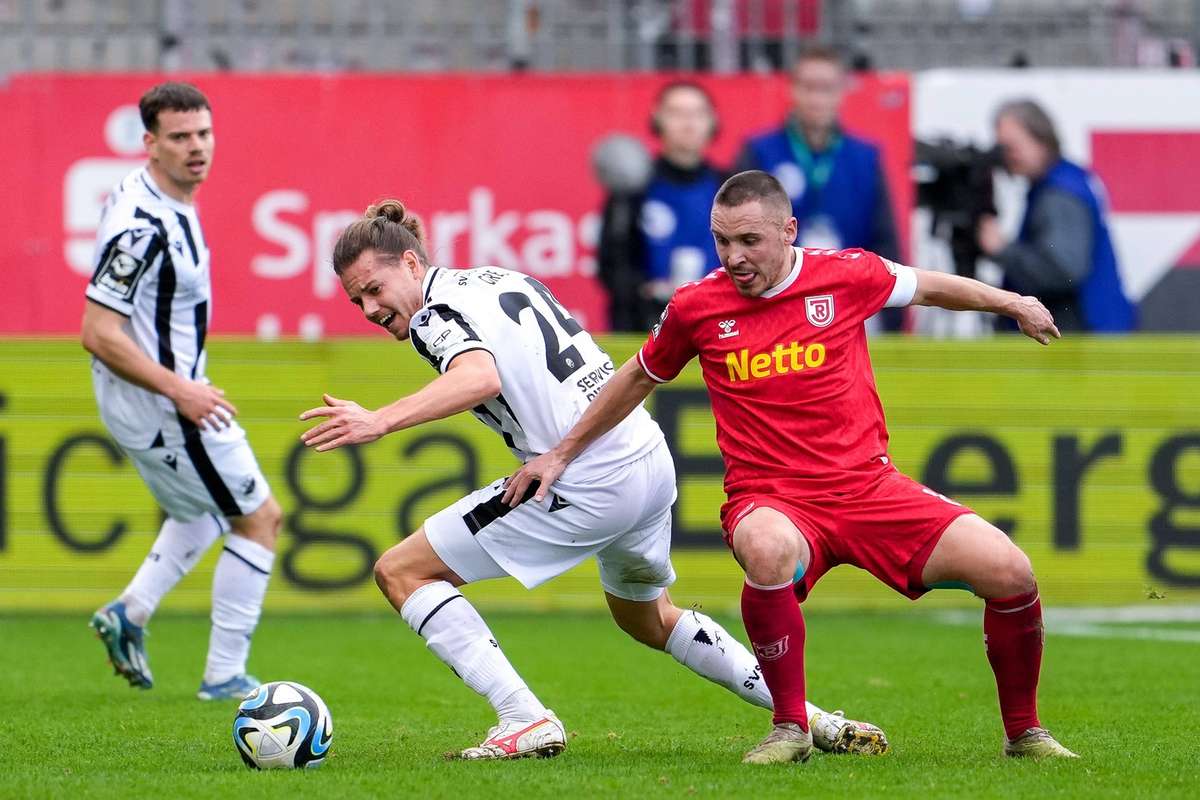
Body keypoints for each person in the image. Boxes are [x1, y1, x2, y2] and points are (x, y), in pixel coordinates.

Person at [506, 171, 1078, 764]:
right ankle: (789, 729)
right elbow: (636, 377)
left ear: (789, 231)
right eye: (722, 241)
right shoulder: (696, 306)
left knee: (1010, 571)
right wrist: (563, 451)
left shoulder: (848, 273)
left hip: (868, 488)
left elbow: (930, 287)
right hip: (772, 498)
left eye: (749, 241)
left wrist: (1013, 302)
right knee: (767, 548)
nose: (734, 257)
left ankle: (1025, 734)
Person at [298, 199, 888, 760]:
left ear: (410, 261)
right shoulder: (498, 279)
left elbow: (478, 376)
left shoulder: (434, 313)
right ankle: (812, 718)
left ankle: (522, 716)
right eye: (357, 302)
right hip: (644, 455)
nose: (371, 310)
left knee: (400, 570)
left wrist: (380, 419)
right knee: (647, 617)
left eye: (374, 290)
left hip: (585, 478)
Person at [82, 82, 282, 701]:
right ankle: (224, 675)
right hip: (168, 405)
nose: (197, 148)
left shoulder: (165, 199)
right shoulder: (141, 226)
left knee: (197, 513)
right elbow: (97, 331)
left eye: (204, 133)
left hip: (159, 398)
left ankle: (129, 612)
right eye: (179, 137)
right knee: (259, 520)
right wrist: (183, 392)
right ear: (150, 143)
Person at [737, 46, 903, 330]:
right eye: (808, 87)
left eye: (826, 88)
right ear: (792, 90)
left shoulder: (865, 157)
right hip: (776, 302)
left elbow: (885, 237)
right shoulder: (760, 152)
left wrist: (893, 315)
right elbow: (739, 232)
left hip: (850, 302)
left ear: (841, 93)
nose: (816, 98)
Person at [978, 99, 1136, 333]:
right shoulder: (1065, 180)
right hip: (1093, 327)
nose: (1006, 157)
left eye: (1011, 147)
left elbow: (1064, 269)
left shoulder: (1059, 194)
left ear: (1041, 141)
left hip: (1083, 335)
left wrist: (1002, 250)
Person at [597, 81, 725, 331]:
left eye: (698, 113)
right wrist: (645, 291)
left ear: (712, 121)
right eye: (677, 113)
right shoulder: (633, 189)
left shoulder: (731, 187)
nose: (688, 123)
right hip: (645, 328)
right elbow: (611, 265)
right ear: (658, 119)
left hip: (719, 323)